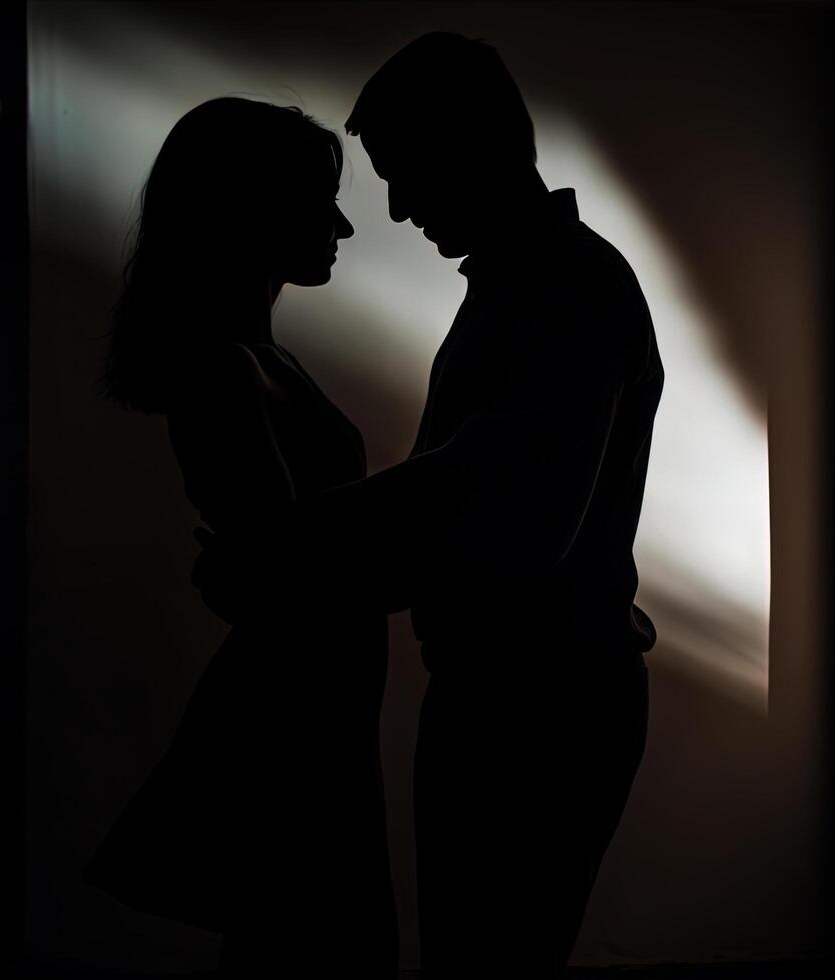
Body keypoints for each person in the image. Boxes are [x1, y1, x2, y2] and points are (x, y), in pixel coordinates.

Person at [192, 34, 664, 978]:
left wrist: (295, 546)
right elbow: (470, 491)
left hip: (537, 707)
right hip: (511, 692)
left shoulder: (569, 288)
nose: (398, 209)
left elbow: (503, 510)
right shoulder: (519, 288)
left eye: (405, 174)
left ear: (475, 146)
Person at [84, 97, 397, 978]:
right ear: (252, 209)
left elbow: (274, 552)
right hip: (297, 703)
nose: (340, 224)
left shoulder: (260, 359)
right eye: (317, 201)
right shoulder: (227, 368)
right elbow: (280, 557)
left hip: (312, 693)